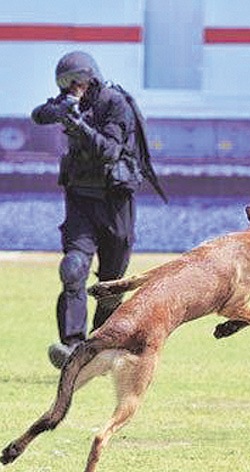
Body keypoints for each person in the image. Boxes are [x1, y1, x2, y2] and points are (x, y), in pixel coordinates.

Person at [32, 51, 158, 369]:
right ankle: (72, 345)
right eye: (66, 83)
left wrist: (80, 127)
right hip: (81, 199)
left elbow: (111, 151)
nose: (73, 87)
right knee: (73, 268)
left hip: (115, 201)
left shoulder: (114, 103)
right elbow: (39, 114)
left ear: (92, 78)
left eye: (77, 81)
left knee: (111, 284)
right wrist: (60, 111)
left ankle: (100, 346)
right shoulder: (70, 103)